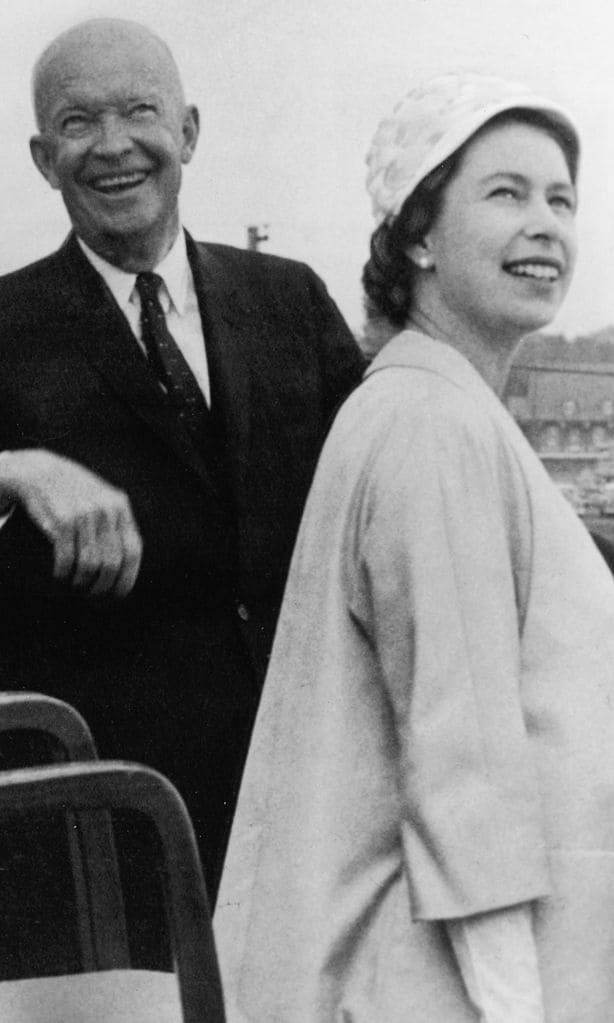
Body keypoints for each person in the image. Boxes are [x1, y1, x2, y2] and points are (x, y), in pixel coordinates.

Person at [215, 73, 614, 1021]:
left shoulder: (430, 402)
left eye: (561, 198)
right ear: (419, 237)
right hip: (436, 988)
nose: (545, 225)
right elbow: (461, 764)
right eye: (505, 193)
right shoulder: (432, 426)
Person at [0, 16, 364, 903]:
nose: (114, 145)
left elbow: (383, 482)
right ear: (44, 158)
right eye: (79, 122)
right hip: (108, 841)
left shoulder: (290, 299)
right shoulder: (6, 326)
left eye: (140, 112)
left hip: (312, 801)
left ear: (189, 132)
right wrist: (13, 466)